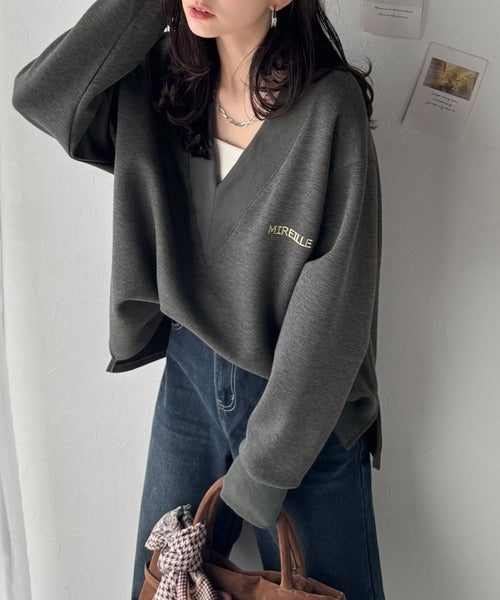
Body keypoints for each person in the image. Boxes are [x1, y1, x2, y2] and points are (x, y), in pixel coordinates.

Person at [11, 1, 386, 598]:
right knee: (164, 586)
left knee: (322, 590)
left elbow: (337, 306)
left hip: (303, 401)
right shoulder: (162, 80)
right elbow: (42, 97)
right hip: (189, 380)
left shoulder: (327, 108)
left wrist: (268, 465)